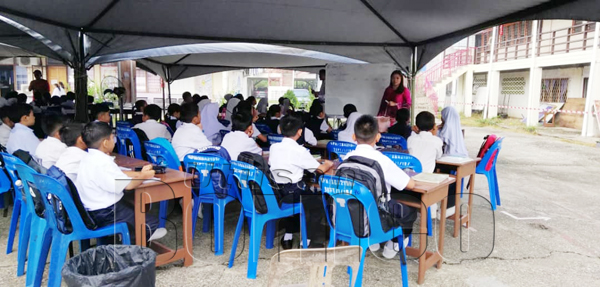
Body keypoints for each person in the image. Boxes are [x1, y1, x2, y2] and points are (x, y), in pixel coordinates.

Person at [76, 121, 166, 242]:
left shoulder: (88, 158)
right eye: (113, 138)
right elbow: (128, 185)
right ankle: (130, 244)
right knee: (153, 224)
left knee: (135, 208)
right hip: (106, 213)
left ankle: (128, 239)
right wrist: (144, 176)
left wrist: (139, 173)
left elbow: (116, 174)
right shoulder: (102, 163)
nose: (115, 141)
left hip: (94, 211)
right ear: (105, 142)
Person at [343, 115, 417, 259]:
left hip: (348, 215)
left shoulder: (346, 158)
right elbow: (410, 184)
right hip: (376, 216)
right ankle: (393, 244)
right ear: (378, 137)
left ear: (353, 136)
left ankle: (372, 241)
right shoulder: (382, 160)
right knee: (410, 211)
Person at [269, 112, 334, 249]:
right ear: (300, 132)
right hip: (294, 192)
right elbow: (320, 169)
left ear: (280, 130)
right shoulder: (300, 151)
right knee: (319, 203)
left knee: (293, 202)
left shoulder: (274, 147)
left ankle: (288, 236)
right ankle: (308, 240)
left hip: (276, 193)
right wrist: (329, 163)